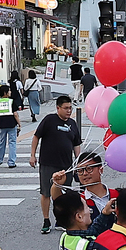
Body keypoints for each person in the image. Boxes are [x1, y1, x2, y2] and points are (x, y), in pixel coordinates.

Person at [31, 95, 82, 234]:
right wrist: (32, 155)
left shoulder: (72, 124)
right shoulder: (49, 120)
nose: (69, 111)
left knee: (63, 194)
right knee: (46, 192)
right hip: (48, 164)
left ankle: (61, 220)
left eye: (70, 108)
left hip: (66, 166)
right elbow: (36, 137)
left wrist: (78, 161)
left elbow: (76, 144)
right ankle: (46, 220)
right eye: (65, 108)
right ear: (58, 108)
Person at [52, 150, 112, 233]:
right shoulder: (79, 201)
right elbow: (59, 200)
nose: (84, 173)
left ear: (101, 169)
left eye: (89, 169)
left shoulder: (117, 195)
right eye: (80, 170)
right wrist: (56, 185)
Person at [0, 84, 21, 168]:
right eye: (9, 90)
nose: (10, 92)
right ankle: (11, 162)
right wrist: (19, 124)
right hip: (11, 124)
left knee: (2, 142)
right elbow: (15, 114)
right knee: (12, 142)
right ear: (5, 92)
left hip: (2, 125)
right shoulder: (11, 101)